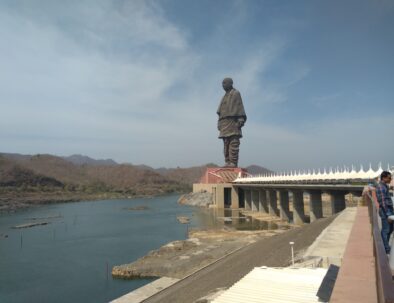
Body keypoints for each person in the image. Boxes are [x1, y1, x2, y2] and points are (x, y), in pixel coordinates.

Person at [216, 78, 247, 167]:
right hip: (224, 122)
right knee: (226, 143)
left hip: (233, 122)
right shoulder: (224, 96)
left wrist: (240, 119)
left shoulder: (236, 93)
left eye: (225, 83)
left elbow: (239, 106)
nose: (223, 85)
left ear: (231, 83)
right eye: (222, 83)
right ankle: (227, 161)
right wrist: (219, 122)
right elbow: (220, 111)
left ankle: (233, 162)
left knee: (233, 142)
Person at [376, 171, 393, 254]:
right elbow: (383, 202)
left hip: (388, 210)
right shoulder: (381, 187)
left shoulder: (384, 186)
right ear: (384, 178)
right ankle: (386, 249)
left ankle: (386, 245)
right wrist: (388, 214)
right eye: (389, 178)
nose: (391, 179)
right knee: (386, 230)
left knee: (390, 229)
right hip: (386, 211)